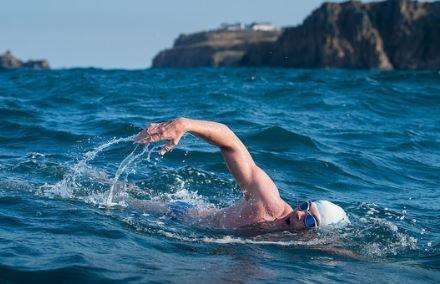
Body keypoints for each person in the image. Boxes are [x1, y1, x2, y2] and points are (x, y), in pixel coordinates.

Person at [134, 117, 349, 231]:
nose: (300, 214)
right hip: (180, 215)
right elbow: (230, 143)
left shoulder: (286, 245)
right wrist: (184, 124)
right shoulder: (268, 202)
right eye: (305, 207)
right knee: (120, 199)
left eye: (310, 221)